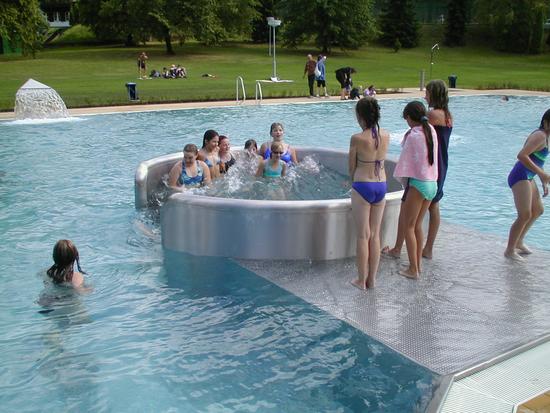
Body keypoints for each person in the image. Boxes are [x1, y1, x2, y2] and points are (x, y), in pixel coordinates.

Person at [383, 80, 452, 259]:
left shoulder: (430, 116)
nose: (425, 95)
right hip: (439, 164)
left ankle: (399, 249)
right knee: (434, 206)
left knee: (408, 213)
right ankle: (427, 249)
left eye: (427, 92)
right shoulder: (447, 114)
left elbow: (416, 128)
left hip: (424, 167)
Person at [392, 101, 438, 279]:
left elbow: (405, 161)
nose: (407, 123)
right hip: (432, 183)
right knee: (417, 225)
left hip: (418, 184)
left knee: (409, 227)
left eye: (407, 120)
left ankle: (413, 269)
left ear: (410, 118)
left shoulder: (413, 135)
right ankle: (417, 265)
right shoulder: (430, 130)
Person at [349, 97, 390, 290]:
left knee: (362, 236)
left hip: (362, 185)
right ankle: (372, 280)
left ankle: (360, 280)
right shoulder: (386, 136)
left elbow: (351, 167)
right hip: (381, 184)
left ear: (360, 116)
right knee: (375, 235)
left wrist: (353, 181)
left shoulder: (357, 138)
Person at [504, 109, 550, 261]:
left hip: (529, 175)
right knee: (524, 214)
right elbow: (522, 155)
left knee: (538, 210)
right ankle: (509, 250)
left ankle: (519, 242)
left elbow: (537, 160)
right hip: (520, 175)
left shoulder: (547, 137)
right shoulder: (540, 136)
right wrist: (542, 174)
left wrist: (543, 179)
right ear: (546, 122)